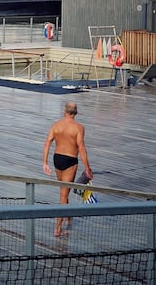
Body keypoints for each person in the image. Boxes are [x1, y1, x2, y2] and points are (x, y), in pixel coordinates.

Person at [43, 101, 93, 237]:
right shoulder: (79, 127)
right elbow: (81, 148)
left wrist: (45, 163)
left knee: (64, 191)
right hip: (70, 160)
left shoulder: (56, 125)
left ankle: (68, 216)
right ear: (75, 113)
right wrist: (87, 167)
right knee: (64, 195)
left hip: (57, 158)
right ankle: (58, 229)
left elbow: (47, 143)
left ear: (64, 112)